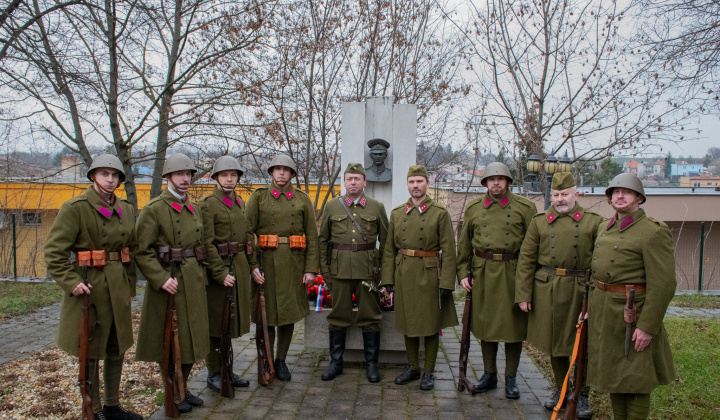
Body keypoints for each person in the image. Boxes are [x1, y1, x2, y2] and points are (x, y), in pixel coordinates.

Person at [44, 154, 142, 420]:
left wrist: (130, 287)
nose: (110, 180)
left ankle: (112, 406)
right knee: (90, 350)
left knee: (116, 345)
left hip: (118, 285)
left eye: (114, 175)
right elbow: (54, 252)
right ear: (93, 176)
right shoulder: (75, 207)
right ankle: (94, 409)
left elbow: (129, 250)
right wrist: (72, 282)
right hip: (90, 285)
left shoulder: (126, 208)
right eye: (104, 174)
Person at [588, 173, 675, 420]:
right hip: (605, 312)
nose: (620, 196)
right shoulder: (604, 228)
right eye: (615, 192)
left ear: (639, 198)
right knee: (615, 374)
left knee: (636, 377)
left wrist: (647, 327)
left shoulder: (652, 232)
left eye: (626, 192)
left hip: (633, 315)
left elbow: (664, 284)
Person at [515, 172, 603, 417]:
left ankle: (581, 394)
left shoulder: (594, 222)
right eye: (556, 195)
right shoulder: (540, 221)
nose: (560, 199)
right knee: (556, 343)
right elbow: (526, 260)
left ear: (576, 193)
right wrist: (524, 294)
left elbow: (601, 260)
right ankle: (562, 390)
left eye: (565, 194)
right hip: (548, 287)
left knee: (581, 343)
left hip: (581, 288)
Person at [135, 154, 209, 414]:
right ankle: (173, 391)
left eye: (188, 174)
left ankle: (183, 386)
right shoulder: (154, 209)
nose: (185, 179)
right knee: (169, 340)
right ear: (167, 177)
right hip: (168, 282)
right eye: (179, 174)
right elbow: (142, 251)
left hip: (194, 279)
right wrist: (160, 278)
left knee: (191, 339)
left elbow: (203, 246)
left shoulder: (194, 207)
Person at [457, 162, 536, 399]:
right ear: (485, 183)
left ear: (508, 182)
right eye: (491, 179)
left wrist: (530, 281)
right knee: (485, 325)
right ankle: (489, 374)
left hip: (514, 273)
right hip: (483, 273)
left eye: (501, 179)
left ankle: (511, 377)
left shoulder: (525, 207)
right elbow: (463, 246)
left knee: (514, 328)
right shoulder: (474, 208)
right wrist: (462, 273)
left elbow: (534, 247)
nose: (496, 183)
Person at [382, 165, 458, 391]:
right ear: (407, 185)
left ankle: (429, 371)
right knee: (407, 321)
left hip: (429, 273)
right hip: (403, 272)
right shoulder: (397, 213)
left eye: (419, 181)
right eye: (412, 182)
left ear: (427, 183)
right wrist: (388, 279)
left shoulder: (439, 213)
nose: (415, 186)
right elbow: (389, 250)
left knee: (431, 323)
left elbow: (449, 250)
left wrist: (446, 281)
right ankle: (413, 367)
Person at [246, 153, 319, 381]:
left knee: (287, 314)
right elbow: (248, 233)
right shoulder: (258, 198)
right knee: (265, 314)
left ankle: (281, 360)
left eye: (285, 170)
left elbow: (312, 236)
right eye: (277, 169)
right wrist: (252, 266)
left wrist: (310, 269)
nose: (281, 173)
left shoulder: (302, 199)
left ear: (292, 174)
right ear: (271, 172)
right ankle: (266, 360)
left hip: (293, 264)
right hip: (265, 263)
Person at [318, 163, 388, 383]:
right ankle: (335, 363)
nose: (353, 183)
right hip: (339, 271)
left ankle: (371, 365)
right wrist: (326, 273)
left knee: (370, 317)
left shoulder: (376, 207)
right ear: (344, 182)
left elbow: (386, 243)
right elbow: (322, 241)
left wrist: (384, 274)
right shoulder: (331, 207)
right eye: (349, 179)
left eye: (357, 179)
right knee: (338, 316)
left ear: (364, 182)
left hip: (368, 272)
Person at [198, 156, 253, 392]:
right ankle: (213, 373)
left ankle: (227, 369)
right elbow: (206, 243)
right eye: (224, 175)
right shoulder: (207, 204)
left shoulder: (240, 202)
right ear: (216, 178)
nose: (229, 179)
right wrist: (219, 273)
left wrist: (253, 266)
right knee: (215, 323)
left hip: (238, 266)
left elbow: (247, 236)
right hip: (218, 269)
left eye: (233, 175)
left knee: (229, 323)